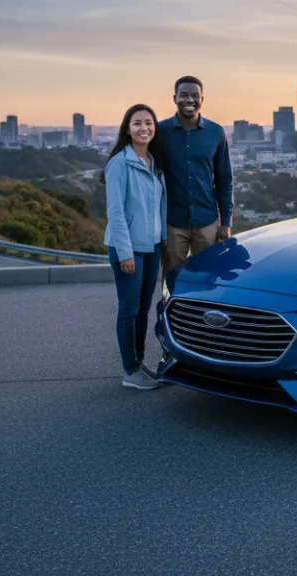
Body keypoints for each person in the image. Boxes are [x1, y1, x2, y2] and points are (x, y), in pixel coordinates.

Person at [103, 104, 167, 390]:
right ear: (127, 129)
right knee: (129, 309)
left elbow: (159, 209)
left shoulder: (155, 162)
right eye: (137, 123)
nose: (144, 128)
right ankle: (130, 371)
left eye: (149, 123)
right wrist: (126, 252)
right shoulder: (120, 162)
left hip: (152, 246)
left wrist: (163, 241)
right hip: (127, 248)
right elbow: (115, 212)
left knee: (143, 309)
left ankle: (139, 363)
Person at [157, 76, 234, 275]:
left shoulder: (216, 132)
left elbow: (224, 180)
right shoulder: (160, 131)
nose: (189, 100)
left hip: (207, 222)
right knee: (171, 277)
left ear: (202, 99)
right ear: (175, 98)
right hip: (172, 222)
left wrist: (226, 222)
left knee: (208, 276)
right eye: (184, 95)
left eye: (194, 95)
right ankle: (169, 307)